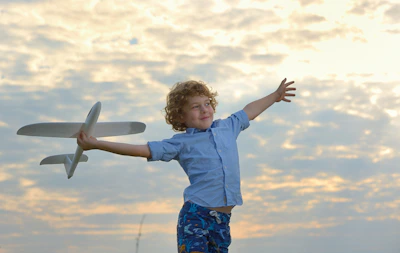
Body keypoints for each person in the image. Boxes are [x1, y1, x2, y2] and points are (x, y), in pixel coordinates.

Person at [77, 78, 296, 253]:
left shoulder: (228, 127)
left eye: (207, 104)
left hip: (222, 221)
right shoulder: (181, 143)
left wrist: (275, 96)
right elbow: (143, 149)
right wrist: (98, 145)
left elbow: (250, 109)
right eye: (195, 107)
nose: (204, 110)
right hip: (196, 216)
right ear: (181, 117)